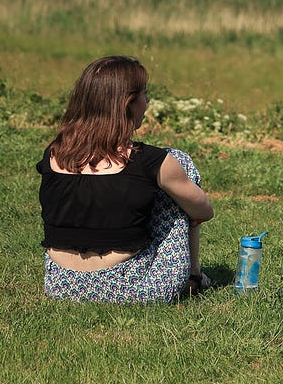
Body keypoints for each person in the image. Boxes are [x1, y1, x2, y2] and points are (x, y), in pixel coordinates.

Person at [37, 56, 214, 303]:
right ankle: (193, 276)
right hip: (134, 288)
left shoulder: (54, 153)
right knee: (177, 163)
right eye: (144, 93)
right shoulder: (152, 161)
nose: (148, 101)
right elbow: (204, 212)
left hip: (61, 284)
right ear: (128, 104)